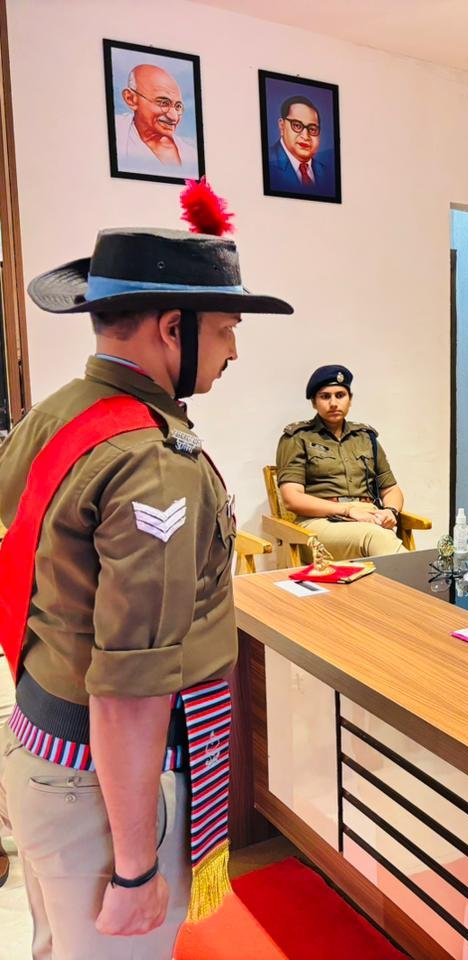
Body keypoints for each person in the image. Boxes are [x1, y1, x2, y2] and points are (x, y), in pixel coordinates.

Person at [0, 193, 292, 958]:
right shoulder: (154, 463)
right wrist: (134, 870)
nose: (233, 351)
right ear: (172, 328)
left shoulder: (58, 413)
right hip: (104, 789)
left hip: (40, 745)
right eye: (226, 329)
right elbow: (131, 685)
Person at [275, 365, 406, 560]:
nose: (333, 403)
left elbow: (391, 489)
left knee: (379, 537)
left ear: (350, 399)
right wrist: (348, 510)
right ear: (314, 402)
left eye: (340, 395)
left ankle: (409, 578)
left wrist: (390, 511)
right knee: (376, 537)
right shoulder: (297, 437)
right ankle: (419, 579)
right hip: (320, 522)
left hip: (369, 516)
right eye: (325, 396)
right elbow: (292, 499)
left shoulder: (365, 437)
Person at [114, 64, 199, 179]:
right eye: (163, 103)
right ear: (131, 99)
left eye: (178, 106)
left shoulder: (191, 154)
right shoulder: (116, 131)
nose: (174, 117)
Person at [267, 95, 335, 194]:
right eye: (297, 125)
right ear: (282, 126)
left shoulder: (328, 173)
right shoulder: (267, 162)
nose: (305, 136)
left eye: (312, 129)